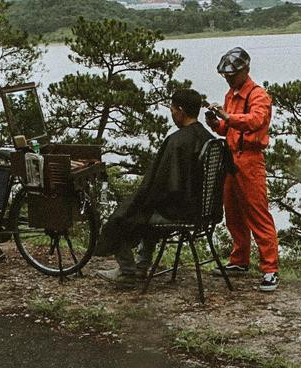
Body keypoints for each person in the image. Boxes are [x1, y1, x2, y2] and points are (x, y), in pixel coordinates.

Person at [92, 87, 213, 284]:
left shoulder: (176, 141)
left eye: (172, 109)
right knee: (143, 210)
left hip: (179, 211)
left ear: (181, 110)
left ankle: (127, 271)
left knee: (123, 216)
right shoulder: (209, 138)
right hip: (200, 209)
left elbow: (158, 185)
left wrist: (139, 200)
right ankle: (141, 266)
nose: (172, 113)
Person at [205, 46, 279, 292]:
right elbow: (229, 129)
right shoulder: (231, 94)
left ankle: (270, 269)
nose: (227, 78)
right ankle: (239, 260)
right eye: (225, 74)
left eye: (231, 74)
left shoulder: (258, 95)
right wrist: (216, 123)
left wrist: (226, 117)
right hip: (231, 159)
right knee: (233, 212)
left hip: (250, 159)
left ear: (245, 70)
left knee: (258, 213)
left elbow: (255, 121)